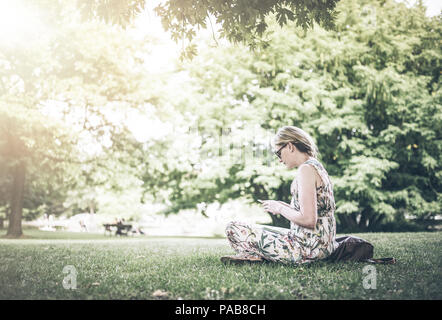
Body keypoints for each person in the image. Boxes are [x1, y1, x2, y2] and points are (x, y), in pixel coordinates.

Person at [221, 126, 339, 265]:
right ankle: (253, 255)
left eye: (278, 153)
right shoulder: (316, 166)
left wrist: (280, 208)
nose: (279, 160)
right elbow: (314, 211)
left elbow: (308, 220)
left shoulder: (306, 169)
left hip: (307, 250)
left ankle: (253, 255)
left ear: (289, 146)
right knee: (250, 228)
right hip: (319, 246)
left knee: (233, 228)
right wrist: (282, 205)